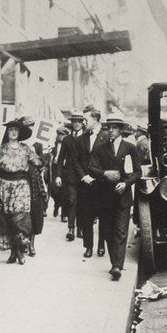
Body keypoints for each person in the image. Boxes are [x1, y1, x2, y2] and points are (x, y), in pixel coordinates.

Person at [89, 116, 141, 281]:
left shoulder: (130, 148)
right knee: (108, 231)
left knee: (121, 231)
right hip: (105, 196)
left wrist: (126, 184)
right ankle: (114, 262)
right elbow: (91, 168)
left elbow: (138, 172)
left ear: (120, 130)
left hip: (123, 197)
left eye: (114, 128)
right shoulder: (100, 148)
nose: (110, 131)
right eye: (108, 128)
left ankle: (117, 265)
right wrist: (105, 174)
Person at [0, 117, 42, 265]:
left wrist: (42, 158)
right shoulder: (1, 148)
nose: (13, 132)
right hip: (5, 185)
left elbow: (38, 163)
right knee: (8, 219)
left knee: (20, 218)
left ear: (20, 132)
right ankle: (13, 251)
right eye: (11, 130)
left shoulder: (26, 148)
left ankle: (21, 251)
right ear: (7, 132)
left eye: (16, 130)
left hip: (21, 185)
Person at [75, 106, 109, 258]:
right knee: (86, 217)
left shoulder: (107, 137)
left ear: (95, 120)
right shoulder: (81, 139)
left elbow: (110, 162)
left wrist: (100, 176)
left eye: (86, 119)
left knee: (103, 216)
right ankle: (88, 246)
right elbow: (75, 161)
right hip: (85, 184)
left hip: (102, 185)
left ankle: (101, 245)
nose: (83, 122)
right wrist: (83, 176)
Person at [55, 112, 84, 241]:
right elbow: (61, 158)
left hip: (84, 175)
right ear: (72, 124)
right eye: (74, 121)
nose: (77, 123)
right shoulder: (67, 139)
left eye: (79, 121)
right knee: (72, 201)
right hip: (70, 175)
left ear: (82, 123)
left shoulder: (87, 138)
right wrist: (58, 175)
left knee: (82, 203)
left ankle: (80, 228)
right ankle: (71, 228)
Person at [28, 140, 47, 256]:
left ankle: (31, 243)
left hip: (35, 181)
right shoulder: (19, 143)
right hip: (22, 180)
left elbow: (42, 162)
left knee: (34, 213)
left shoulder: (38, 144)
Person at [49, 125, 69, 220]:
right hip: (55, 168)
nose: (60, 137)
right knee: (54, 190)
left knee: (64, 191)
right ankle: (57, 204)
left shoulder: (69, 145)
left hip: (65, 169)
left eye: (63, 135)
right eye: (59, 134)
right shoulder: (53, 145)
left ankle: (64, 214)